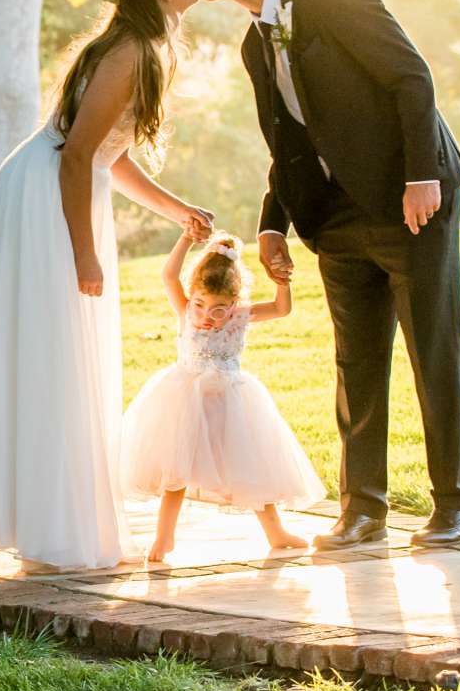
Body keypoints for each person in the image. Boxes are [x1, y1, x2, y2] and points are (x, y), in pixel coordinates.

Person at [186, 0, 460, 549]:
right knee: (356, 362)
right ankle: (363, 511)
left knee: (433, 352)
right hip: (336, 215)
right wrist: (274, 224)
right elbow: (287, 138)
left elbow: (410, 77)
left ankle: (456, 503)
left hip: (413, 203)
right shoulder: (252, 44)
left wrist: (421, 175)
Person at [0, 0, 212, 571]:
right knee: (55, 351)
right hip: (46, 198)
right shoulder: (127, 53)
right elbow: (75, 156)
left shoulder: (143, 51)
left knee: (67, 353)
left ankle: (60, 527)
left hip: (61, 187)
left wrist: (176, 211)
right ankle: (56, 535)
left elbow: (106, 154)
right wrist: (84, 255)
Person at [119, 231, 322, 560]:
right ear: (192, 296)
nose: (205, 316)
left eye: (218, 310)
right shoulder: (185, 311)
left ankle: (276, 532)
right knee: (177, 470)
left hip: (231, 406)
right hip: (185, 403)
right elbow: (169, 275)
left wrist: (282, 279)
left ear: (234, 303)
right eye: (200, 305)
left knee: (251, 466)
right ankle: (164, 537)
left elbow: (281, 309)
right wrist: (185, 238)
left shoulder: (240, 318)